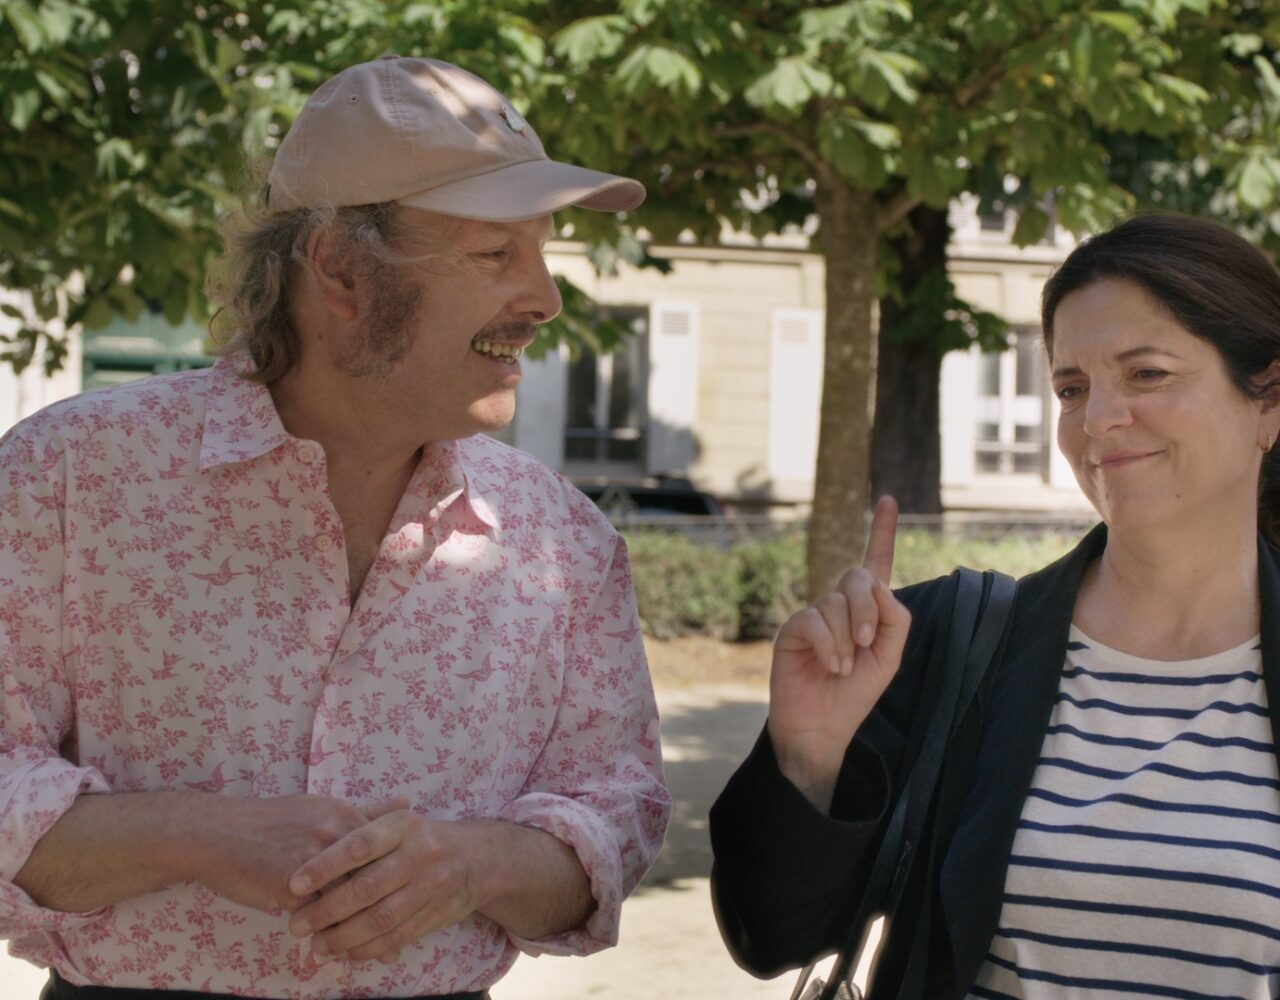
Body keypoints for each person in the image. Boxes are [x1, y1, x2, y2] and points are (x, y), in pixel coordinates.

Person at [0, 55, 669, 1000]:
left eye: (541, 250)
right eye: (494, 254)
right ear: (342, 271)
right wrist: (195, 837)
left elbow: (618, 815)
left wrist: (474, 865)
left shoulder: (564, 539)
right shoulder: (69, 475)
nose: (545, 299)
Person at [711, 213, 1280, 998]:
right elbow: (772, 937)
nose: (1097, 420)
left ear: (1269, 402)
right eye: (1072, 389)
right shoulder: (946, 641)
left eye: (1147, 374)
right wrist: (809, 759)